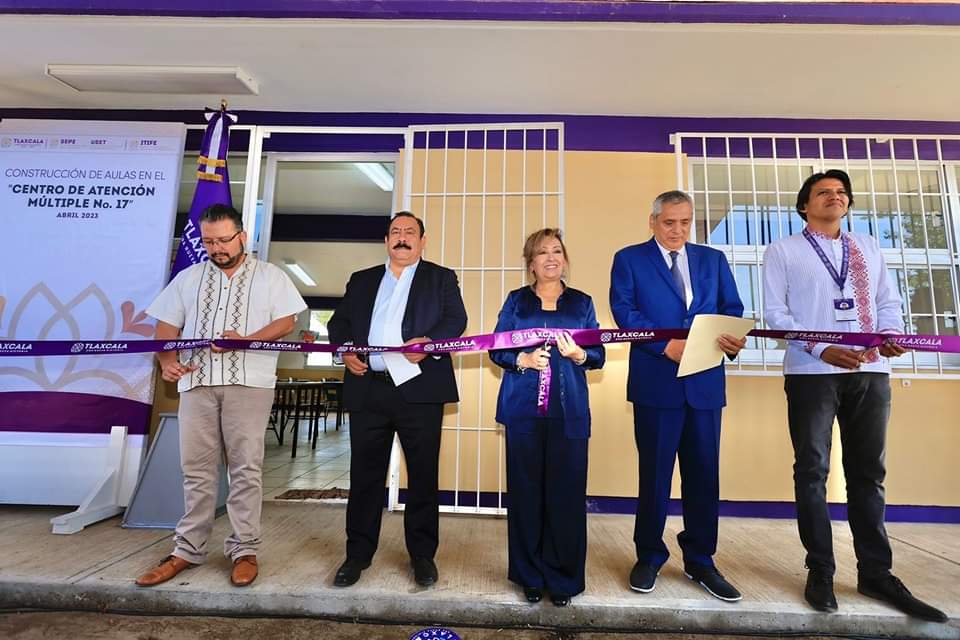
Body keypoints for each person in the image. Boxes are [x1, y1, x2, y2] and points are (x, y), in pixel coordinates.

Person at [762, 169, 947, 622]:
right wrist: (821, 347)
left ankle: (876, 573)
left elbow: (888, 302)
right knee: (812, 470)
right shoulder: (782, 250)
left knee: (869, 473)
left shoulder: (867, 247)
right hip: (811, 372)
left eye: (842, 192)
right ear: (804, 205)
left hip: (871, 370)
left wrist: (891, 335)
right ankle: (820, 570)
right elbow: (776, 314)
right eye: (824, 192)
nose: (835, 197)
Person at [135, 203, 307, 588]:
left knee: (245, 467)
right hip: (196, 383)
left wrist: (245, 340)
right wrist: (167, 361)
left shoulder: (271, 276)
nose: (217, 248)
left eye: (225, 240)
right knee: (195, 468)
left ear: (242, 236)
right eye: (209, 241)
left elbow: (286, 321)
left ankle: (244, 549)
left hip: (249, 383)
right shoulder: (188, 278)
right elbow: (165, 327)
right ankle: (187, 549)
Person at [609, 190, 746, 602]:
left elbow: (732, 309)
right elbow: (625, 311)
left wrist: (732, 339)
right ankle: (649, 555)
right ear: (652, 221)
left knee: (704, 475)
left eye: (685, 222)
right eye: (669, 222)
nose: (677, 230)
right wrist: (663, 345)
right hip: (656, 383)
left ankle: (701, 560)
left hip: (704, 384)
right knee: (654, 476)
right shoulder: (629, 259)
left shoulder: (713, 260)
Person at [327, 211, 467, 588]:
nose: (402, 237)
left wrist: (430, 343)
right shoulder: (362, 279)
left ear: (423, 241)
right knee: (364, 476)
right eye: (395, 232)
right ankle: (357, 555)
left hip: (419, 390)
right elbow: (338, 324)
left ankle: (422, 556)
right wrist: (345, 350)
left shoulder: (441, 278)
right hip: (368, 387)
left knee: (422, 475)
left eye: (410, 232)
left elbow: (455, 320)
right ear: (386, 240)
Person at [489, 229, 605, 607]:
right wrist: (520, 359)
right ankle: (530, 576)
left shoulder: (582, 303)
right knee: (526, 495)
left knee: (566, 497)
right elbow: (496, 347)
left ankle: (563, 579)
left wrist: (579, 355)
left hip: (569, 414)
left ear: (565, 259)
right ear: (531, 264)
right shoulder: (516, 301)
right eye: (542, 252)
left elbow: (598, 355)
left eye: (557, 251)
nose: (551, 258)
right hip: (523, 411)